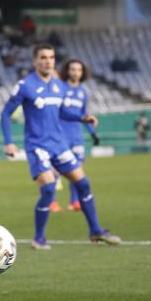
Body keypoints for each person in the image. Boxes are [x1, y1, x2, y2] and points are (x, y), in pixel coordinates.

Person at [0, 44, 121, 250]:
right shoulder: (25, 85)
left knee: (83, 184)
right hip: (38, 146)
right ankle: (39, 239)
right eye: (43, 57)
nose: (48, 61)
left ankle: (96, 231)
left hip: (59, 144)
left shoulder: (58, 86)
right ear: (35, 61)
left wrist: (83, 118)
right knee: (48, 188)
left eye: (51, 57)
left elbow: (62, 112)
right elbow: (5, 114)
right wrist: (9, 142)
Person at [59, 59, 100, 212]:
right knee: (56, 171)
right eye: (73, 69)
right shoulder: (60, 88)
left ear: (83, 72)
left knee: (77, 169)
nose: (75, 72)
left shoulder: (83, 92)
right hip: (61, 135)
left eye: (79, 70)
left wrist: (93, 133)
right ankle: (50, 202)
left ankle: (74, 202)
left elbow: (84, 115)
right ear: (67, 71)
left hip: (76, 136)